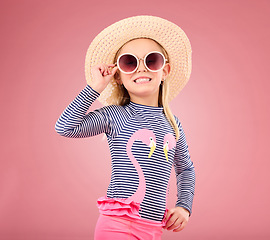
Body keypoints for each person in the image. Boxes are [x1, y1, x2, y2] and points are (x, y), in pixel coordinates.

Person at [55, 15, 195, 240]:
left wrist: (184, 206)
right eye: (129, 62)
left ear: (165, 71)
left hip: (153, 228)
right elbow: (65, 127)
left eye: (152, 61)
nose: (141, 68)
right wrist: (95, 88)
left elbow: (186, 169)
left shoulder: (172, 123)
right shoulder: (115, 115)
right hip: (118, 224)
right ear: (118, 75)